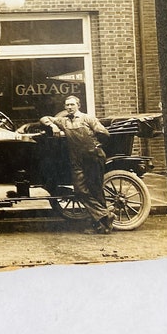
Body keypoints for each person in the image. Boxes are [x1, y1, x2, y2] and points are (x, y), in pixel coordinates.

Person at [40, 95, 113, 234]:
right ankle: (106, 215)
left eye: (72, 104)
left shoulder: (88, 118)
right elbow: (44, 118)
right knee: (79, 190)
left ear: (78, 105)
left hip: (93, 157)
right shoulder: (63, 121)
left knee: (95, 190)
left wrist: (95, 144)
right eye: (67, 105)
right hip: (76, 160)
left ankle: (101, 225)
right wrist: (53, 126)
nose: (69, 107)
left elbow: (104, 133)